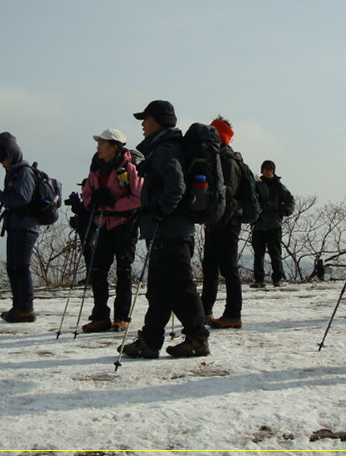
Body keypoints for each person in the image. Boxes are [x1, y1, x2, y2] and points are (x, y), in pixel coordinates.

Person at [119, 99, 210, 359]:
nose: (142, 125)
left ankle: (197, 338)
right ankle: (150, 340)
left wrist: (161, 210)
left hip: (170, 230)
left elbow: (176, 185)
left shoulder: (164, 149)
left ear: (157, 121)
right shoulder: (164, 147)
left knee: (181, 287)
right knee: (159, 290)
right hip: (168, 230)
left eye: (145, 119)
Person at [80, 128, 143, 333]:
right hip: (103, 224)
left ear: (115, 147)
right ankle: (100, 317)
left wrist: (111, 205)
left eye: (102, 143)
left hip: (125, 225)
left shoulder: (129, 168)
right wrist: (95, 203)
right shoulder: (96, 167)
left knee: (123, 270)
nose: (98, 147)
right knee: (98, 270)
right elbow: (87, 194)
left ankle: (121, 317)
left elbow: (138, 198)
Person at [0, 132, 39, 323]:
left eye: (3, 159)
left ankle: (26, 309)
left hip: (26, 226)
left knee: (21, 268)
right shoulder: (13, 173)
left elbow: (23, 198)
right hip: (15, 225)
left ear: (11, 155)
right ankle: (19, 307)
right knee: (13, 268)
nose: (2, 163)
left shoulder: (24, 172)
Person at [200, 117, 244, 329]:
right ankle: (205, 310)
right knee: (210, 267)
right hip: (216, 221)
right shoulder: (217, 159)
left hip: (227, 220)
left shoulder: (228, 161)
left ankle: (233, 314)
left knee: (228, 267)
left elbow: (228, 193)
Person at [251, 160, 295, 288]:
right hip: (259, 224)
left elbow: (290, 200)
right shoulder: (256, 185)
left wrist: (285, 211)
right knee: (258, 254)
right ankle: (259, 280)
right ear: (262, 170)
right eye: (266, 169)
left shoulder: (278, 186)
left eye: (271, 169)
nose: (269, 171)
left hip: (274, 224)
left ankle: (278, 279)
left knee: (275, 253)